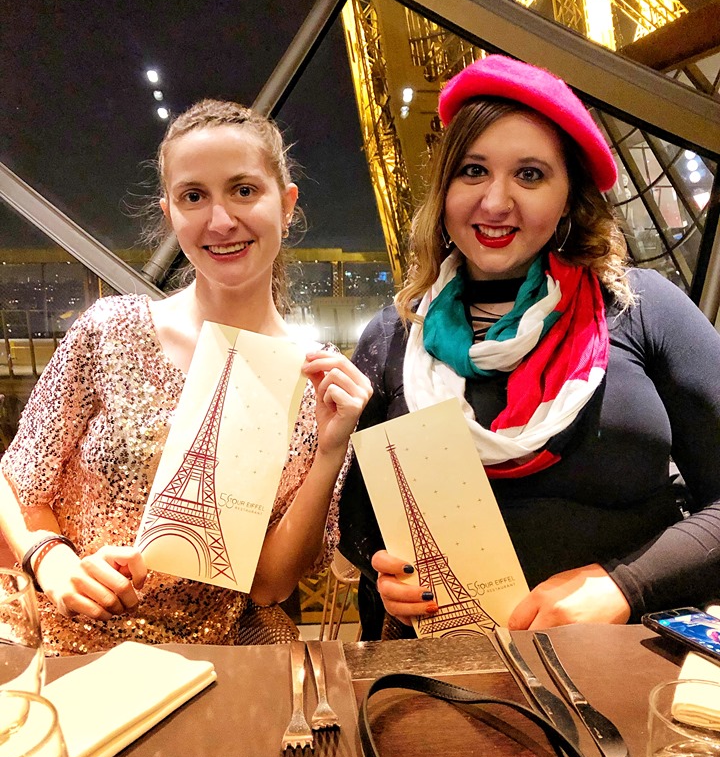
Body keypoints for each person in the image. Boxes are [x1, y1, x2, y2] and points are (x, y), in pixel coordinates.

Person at [339, 54, 720, 638]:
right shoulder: (394, 337)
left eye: (530, 174)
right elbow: (360, 520)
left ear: (569, 197)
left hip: (625, 669)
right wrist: (383, 572)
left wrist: (624, 585)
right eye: (472, 170)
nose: (495, 202)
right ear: (444, 188)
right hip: (447, 675)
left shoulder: (643, 309)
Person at [0, 99, 372, 654]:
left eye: (244, 190)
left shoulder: (311, 380)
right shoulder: (112, 330)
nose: (221, 221)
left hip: (210, 658)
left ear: (287, 204)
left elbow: (270, 583)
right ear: (170, 212)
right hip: (53, 640)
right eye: (194, 196)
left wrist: (329, 452)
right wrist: (52, 561)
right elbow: (16, 478)